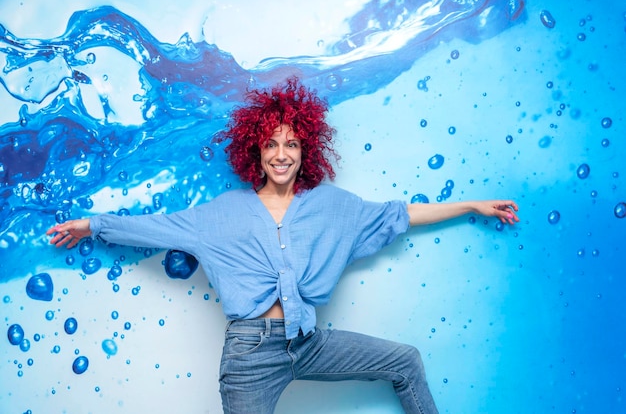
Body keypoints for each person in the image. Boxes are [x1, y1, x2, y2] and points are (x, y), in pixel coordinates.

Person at [47, 77, 519, 414]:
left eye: (291, 144)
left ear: (304, 151)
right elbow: (154, 228)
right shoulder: (220, 212)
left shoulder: (333, 206)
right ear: (256, 150)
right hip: (249, 355)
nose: (280, 153)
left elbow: (399, 214)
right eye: (271, 144)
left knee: (406, 361)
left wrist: (472, 206)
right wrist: (92, 225)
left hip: (308, 341)